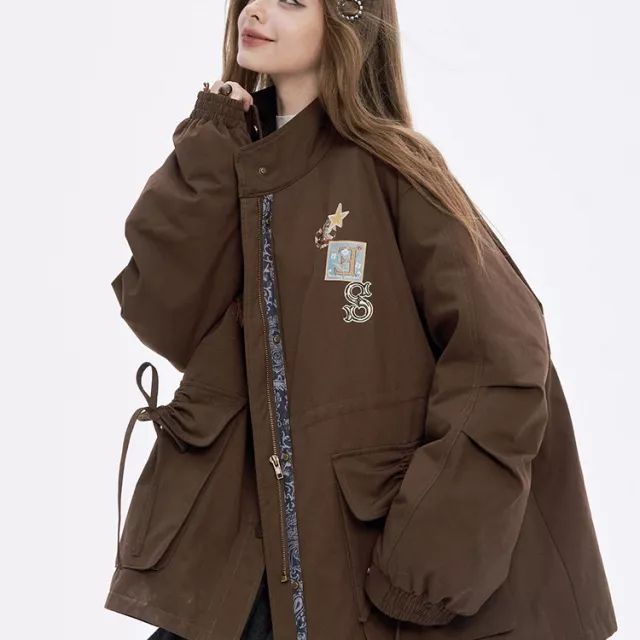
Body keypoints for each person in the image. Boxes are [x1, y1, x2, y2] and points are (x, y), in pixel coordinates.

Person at [105, 0, 618, 639]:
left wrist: (426, 553)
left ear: (347, 19)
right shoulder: (234, 158)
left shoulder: (393, 170)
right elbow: (163, 308)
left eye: (292, 0)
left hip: (360, 577)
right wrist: (213, 131)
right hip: (239, 573)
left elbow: (504, 358)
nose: (255, 9)